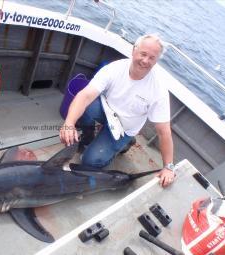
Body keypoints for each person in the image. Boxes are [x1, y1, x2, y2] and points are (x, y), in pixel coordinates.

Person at [59, 34, 175, 187]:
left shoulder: (158, 89)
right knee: (83, 108)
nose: (146, 60)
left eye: (152, 58)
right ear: (134, 50)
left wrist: (168, 167)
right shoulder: (115, 68)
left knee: (89, 161)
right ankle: (87, 139)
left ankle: (124, 144)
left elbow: (163, 131)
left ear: (156, 61)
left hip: (124, 128)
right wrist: (69, 123)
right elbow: (85, 95)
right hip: (105, 110)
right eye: (143, 54)